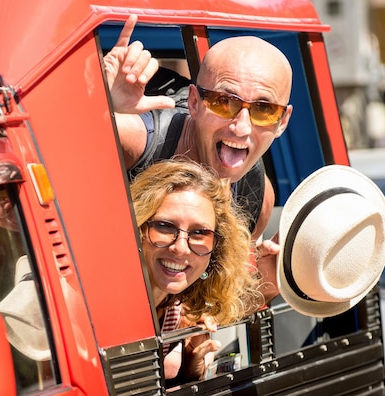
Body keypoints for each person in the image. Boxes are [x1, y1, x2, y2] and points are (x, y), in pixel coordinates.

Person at [104, 15, 288, 301]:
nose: (241, 127)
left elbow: (212, 296)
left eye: (264, 110)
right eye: (224, 102)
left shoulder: (256, 199)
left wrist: (264, 282)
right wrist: (102, 109)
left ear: (283, 122)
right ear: (193, 102)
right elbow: (40, 145)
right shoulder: (139, 142)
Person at [129, 158, 263, 382]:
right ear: (137, 227)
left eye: (199, 233)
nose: (180, 248)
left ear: (216, 249)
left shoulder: (175, 310)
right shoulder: (106, 311)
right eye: (164, 226)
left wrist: (190, 372)